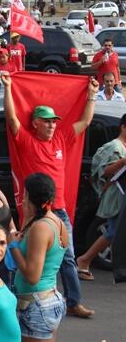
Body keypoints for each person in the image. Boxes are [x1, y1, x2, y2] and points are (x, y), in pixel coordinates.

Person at [2, 73, 97, 318]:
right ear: (35, 123)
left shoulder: (61, 139)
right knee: (24, 256)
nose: (52, 125)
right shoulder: (26, 139)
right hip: (35, 213)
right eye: (46, 121)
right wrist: (9, 88)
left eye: (54, 121)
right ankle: (18, 299)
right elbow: (12, 119)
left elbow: (85, 121)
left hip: (60, 211)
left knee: (68, 258)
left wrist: (92, 95)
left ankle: (73, 302)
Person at [9, 173, 68, 341]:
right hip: (46, 299)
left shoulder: (41, 227)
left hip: (37, 304)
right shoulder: (55, 221)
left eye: (25, 194)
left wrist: (13, 247)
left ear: (29, 196)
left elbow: (32, 276)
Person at [77, 114, 126, 281]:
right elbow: (104, 172)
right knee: (113, 231)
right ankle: (84, 260)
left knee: (116, 231)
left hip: (122, 195)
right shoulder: (113, 147)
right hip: (116, 195)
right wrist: (122, 162)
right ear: (123, 127)